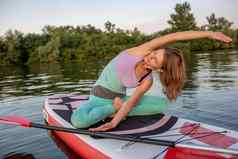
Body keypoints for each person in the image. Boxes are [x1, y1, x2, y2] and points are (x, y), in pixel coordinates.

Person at [71, 31, 232, 131]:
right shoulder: (139, 51)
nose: (150, 56)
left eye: (155, 60)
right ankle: (112, 109)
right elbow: (174, 36)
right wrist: (209, 34)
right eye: (154, 53)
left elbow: (131, 101)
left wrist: (114, 123)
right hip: (99, 97)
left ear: (160, 69)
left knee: (162, 104)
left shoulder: (147, 81)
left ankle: (116, 110)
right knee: (78, 121)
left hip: (121, 101)